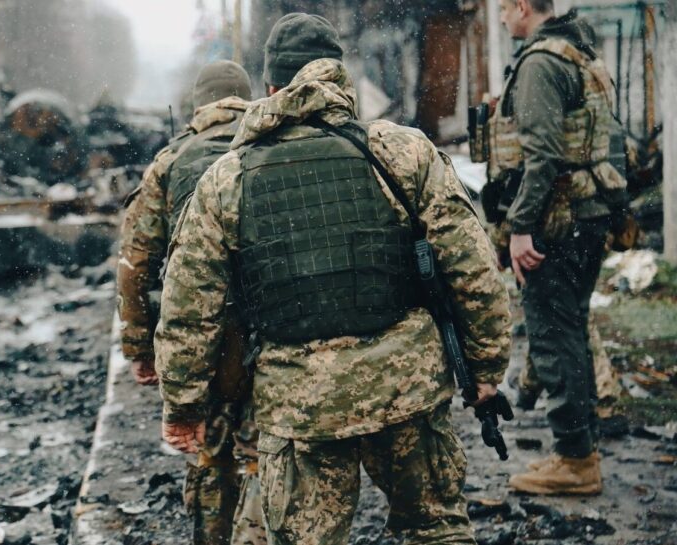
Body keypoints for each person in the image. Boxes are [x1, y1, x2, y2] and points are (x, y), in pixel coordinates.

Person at [155, 13, 512, 545]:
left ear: (271, 87)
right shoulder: (403, 152)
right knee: (436, 530)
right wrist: (486, 368)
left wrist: (184, 406)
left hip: (301, 407)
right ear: (340, 77)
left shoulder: (226, 179)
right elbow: (473, 269)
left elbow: (189, 309)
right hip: (405, 390)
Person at [116, 60, 263, 545]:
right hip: (272, 331)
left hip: (204, 337)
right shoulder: (273, 144)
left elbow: (135, 264)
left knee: (210, 454)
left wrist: (140, 349)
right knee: (266, 455)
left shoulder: (171, 161)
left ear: (199, 104)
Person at [488, 0, 629, 495]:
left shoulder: (541, 63)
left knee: (553, 337)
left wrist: (520, 228)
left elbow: (543, 156)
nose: (501, 18)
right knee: (570, 331)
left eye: (503, 8)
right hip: (587, 215)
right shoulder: (578, 52)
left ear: (523, 7)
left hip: (558, 221)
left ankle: (575, 460)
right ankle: (580, 448)